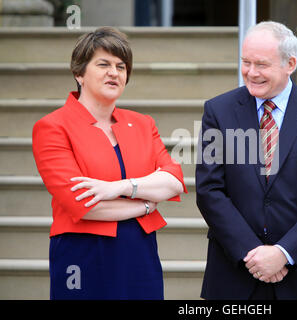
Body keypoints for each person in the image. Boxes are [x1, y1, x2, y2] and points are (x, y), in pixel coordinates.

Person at [32, 27, 186, 300]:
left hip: (140, 252)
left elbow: (173, 182)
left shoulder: (142, 124)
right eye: (103, 64)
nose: (114, 72)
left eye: (121, 66)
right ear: (79, 73)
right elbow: (83, 205)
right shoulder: (53, 127)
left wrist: (119, 187)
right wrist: (146, 204)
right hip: (83, 253)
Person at [196, 21, 297, 299]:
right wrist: (252, 255)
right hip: (234, 275)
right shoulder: (218, 111)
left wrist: (283, 253)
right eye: (246, 62)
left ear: (290, 64)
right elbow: (209, 191)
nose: (251, 73)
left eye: (262, 65)